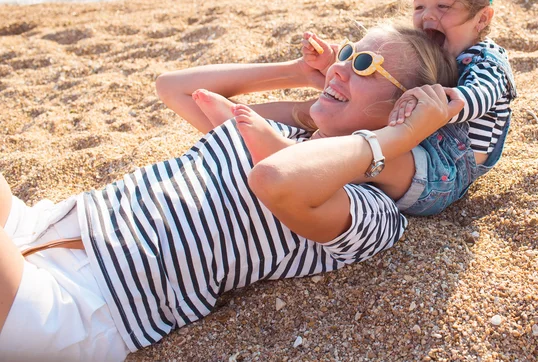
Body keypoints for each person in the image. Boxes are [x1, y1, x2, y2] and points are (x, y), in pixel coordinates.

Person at [0, 26, 461, 361]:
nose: (340, 65)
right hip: (44, 224)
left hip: (81, 304)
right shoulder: (283, 133)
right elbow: (175, 88)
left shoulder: (374, 212)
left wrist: (399, 139)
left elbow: (277, 179)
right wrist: (298, 71)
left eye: (365, 65)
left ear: (404, 109)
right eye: (348, 52)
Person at [303, 0, 518, 215]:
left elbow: (476, 96)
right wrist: (335, 64)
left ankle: (309, 162)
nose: (427, 15)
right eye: (419, 5)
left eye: (443, 6)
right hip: (417, 142)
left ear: (481, 18)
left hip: (444, 169)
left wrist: (434, 104)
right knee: (349, 125)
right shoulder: (438, 49)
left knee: (376, 158)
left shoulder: (487, 61)